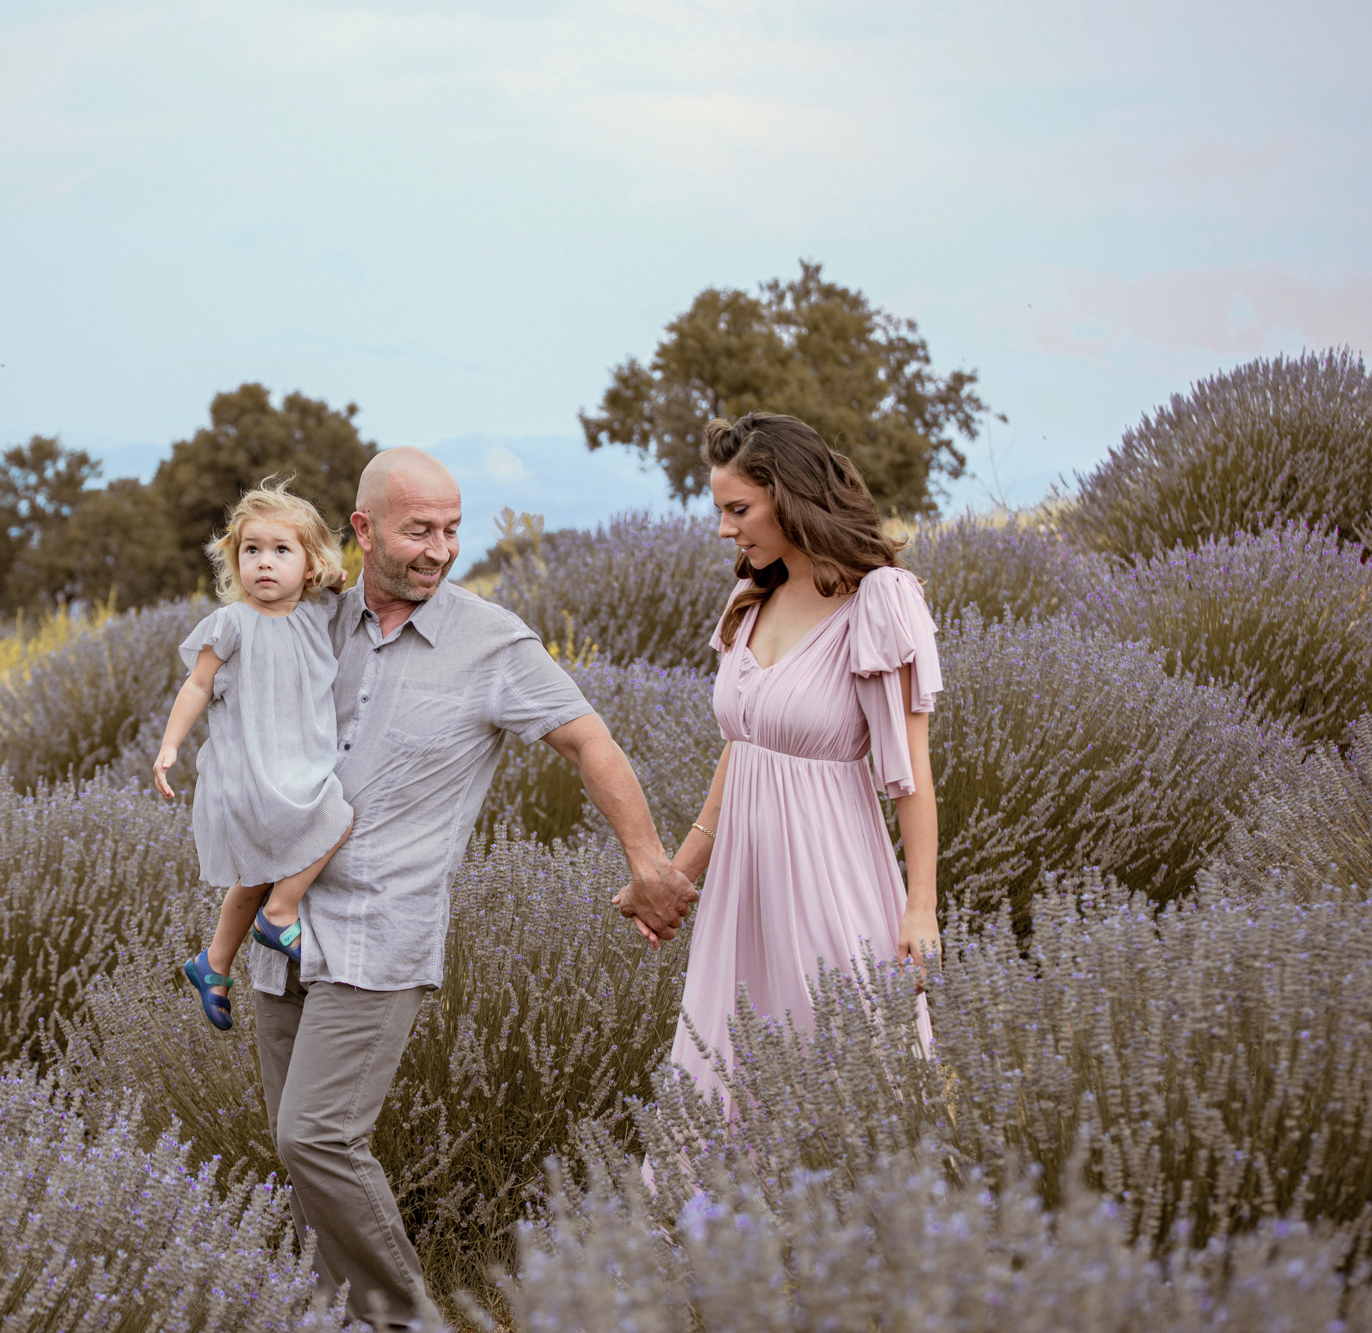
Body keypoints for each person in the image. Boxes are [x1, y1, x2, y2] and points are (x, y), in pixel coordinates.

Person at [246, 447, 696, 1330]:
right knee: (301, 1157)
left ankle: (411, 1319)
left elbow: (588, 743)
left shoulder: (491, 640)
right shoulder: (312, 621)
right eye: (420, 530)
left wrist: (648, 863)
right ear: (364, 529)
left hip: (382, 932)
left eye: (453, 529)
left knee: (318, 1135)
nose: (441, 549)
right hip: (279, 924)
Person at [666, 411, 941, 1108]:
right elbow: (745, 745)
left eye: (739, 509)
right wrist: (679, 873)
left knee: (852, 1068)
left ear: (788, 495)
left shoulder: (877, 600)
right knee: (727, 1069)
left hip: (830, 872)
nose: (725, 528)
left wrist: (920, 906)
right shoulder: (748, 600)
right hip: (741, 889)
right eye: (720, 510)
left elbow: (913, 773)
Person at [154, 478, 355, 1030]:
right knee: (335, 817)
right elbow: (197, 686)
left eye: (281, 550)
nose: (264, 563)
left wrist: (333, 576)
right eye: (251, 550)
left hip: (297, 763)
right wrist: (170, 746)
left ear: (308, 564)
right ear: (234, 558)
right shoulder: (232, 623)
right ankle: (282, 913)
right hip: (248, 771)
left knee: (258, 872)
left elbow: (341, 587)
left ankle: (213, 963)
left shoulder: (317, 614)